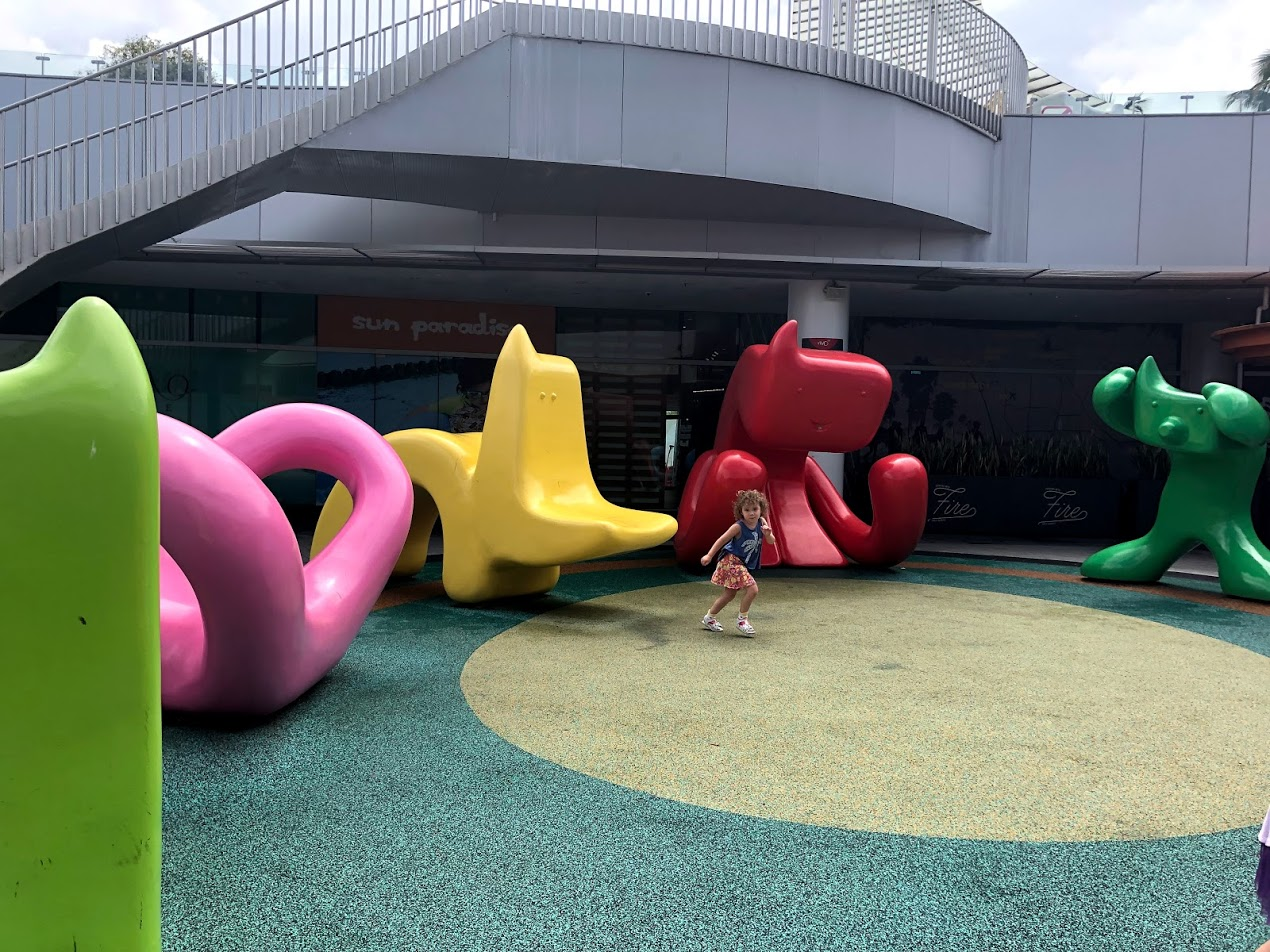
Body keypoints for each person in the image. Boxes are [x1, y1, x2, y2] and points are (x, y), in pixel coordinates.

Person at [699, 489, 776, 637]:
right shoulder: (738, 526)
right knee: (752, 589)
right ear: (741, 512)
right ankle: (742, 620)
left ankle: (709, 617)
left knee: (729, 594)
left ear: (761, 509)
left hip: (740, 563)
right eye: (747, 510)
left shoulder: (762, 522)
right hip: (731, 561)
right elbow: (722, 539)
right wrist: (709, 555)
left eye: (755, 509)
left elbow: (771, 541)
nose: (751, 513)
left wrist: (768, 534)